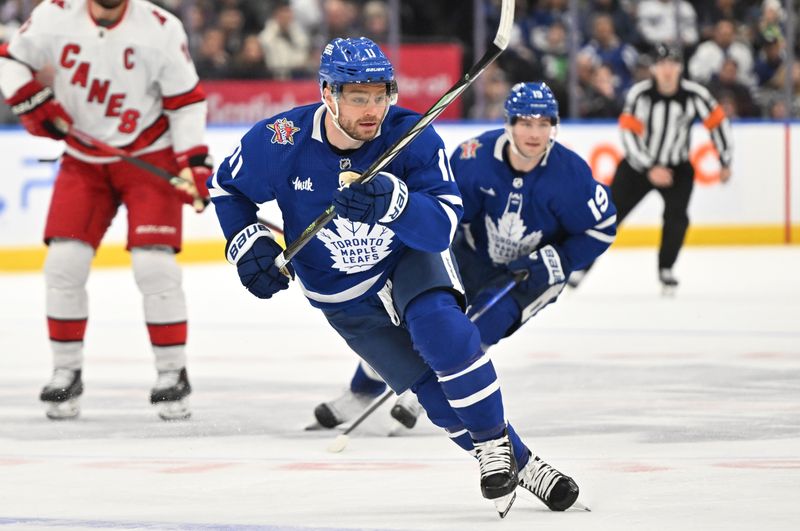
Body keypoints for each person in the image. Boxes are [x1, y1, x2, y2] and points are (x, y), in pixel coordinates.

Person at [208, 37, 581, 516]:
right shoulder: (280, 140)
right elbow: (226, 188)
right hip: (337, 289)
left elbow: (443, 224)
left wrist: (396, 203)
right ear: (328, 93)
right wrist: (248, 245)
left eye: (380, 95)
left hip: (405, 257)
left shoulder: (412, 136)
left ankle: (492, 445)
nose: (372, 109)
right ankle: (524, 464)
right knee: (427, 389)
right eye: (357, 97)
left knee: (444, 332)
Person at [316, 82, 617, 432]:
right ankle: (360, 391)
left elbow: (601, 228)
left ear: (554, 127)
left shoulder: (572, 174)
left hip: (529, 276)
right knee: (410, 321)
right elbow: (445, 210)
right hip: (470, 254)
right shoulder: (474, 157)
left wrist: (558, 259)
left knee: (478, 326)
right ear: (509, 123)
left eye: (543, 123)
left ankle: (425, 394)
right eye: (525, 122)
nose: (534, 133)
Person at [0, 0, 212, 420]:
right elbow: (11, 61)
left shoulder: (160, 27)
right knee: (64, 264)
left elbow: (186, 101)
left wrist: (195, 161)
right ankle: (66, 372)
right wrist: (31, 100)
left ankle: (172, 375)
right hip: (83, 159)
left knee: (155, 268)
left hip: (151, 158)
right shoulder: (53, 15)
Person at [570, 43, 733, 292]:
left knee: (677, 218)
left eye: (673, 64)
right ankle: (582, 266)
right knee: (607, 216)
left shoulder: (695, 94)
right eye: (662, 64)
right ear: (654, 69)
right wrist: (649, 167)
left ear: (680, 68)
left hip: (677, 167)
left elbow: (718, 124)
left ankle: (666, 268)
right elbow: (628, 133)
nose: (667, 70)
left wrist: (725, 159)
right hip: (638, 166)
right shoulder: (640, 94)